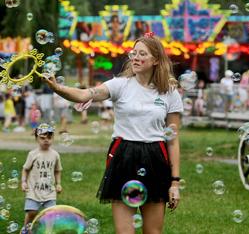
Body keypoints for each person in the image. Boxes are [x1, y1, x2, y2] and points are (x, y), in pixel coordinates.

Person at [43, 33, 183, 234]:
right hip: (123, 155)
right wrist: (58, 88)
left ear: (156, 60)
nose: (135, 57)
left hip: (155, 157)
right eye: (133, 53)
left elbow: (173, 140)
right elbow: (85, 94)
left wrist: (175, 183)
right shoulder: (120, 84)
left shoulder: (169, 92)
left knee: (153, 232)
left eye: (142, 54)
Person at [20, 123, 62, 233]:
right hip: (34, 190)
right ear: (36, 139)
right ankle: (26, 229)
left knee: (50, 214)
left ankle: (48, 231)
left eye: (49, 137)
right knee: (32, 212)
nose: (46, 140)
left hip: (49, 191)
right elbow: (25, 169)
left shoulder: (55, 155)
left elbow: (57, 170)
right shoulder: (32, 154)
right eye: (42, 138)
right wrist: (23, 181)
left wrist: (58, 183)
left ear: (53, 138)